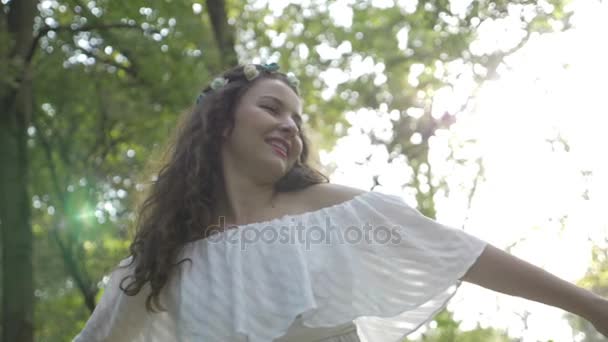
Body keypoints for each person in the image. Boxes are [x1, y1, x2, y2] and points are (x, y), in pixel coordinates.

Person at [73, 64, 608, 342]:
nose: (289, 125)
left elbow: (459, 252)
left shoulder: (331, 211)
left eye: (296, 119)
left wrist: (589, 305)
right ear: (219, 123)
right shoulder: (162, 262)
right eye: (272, 107)